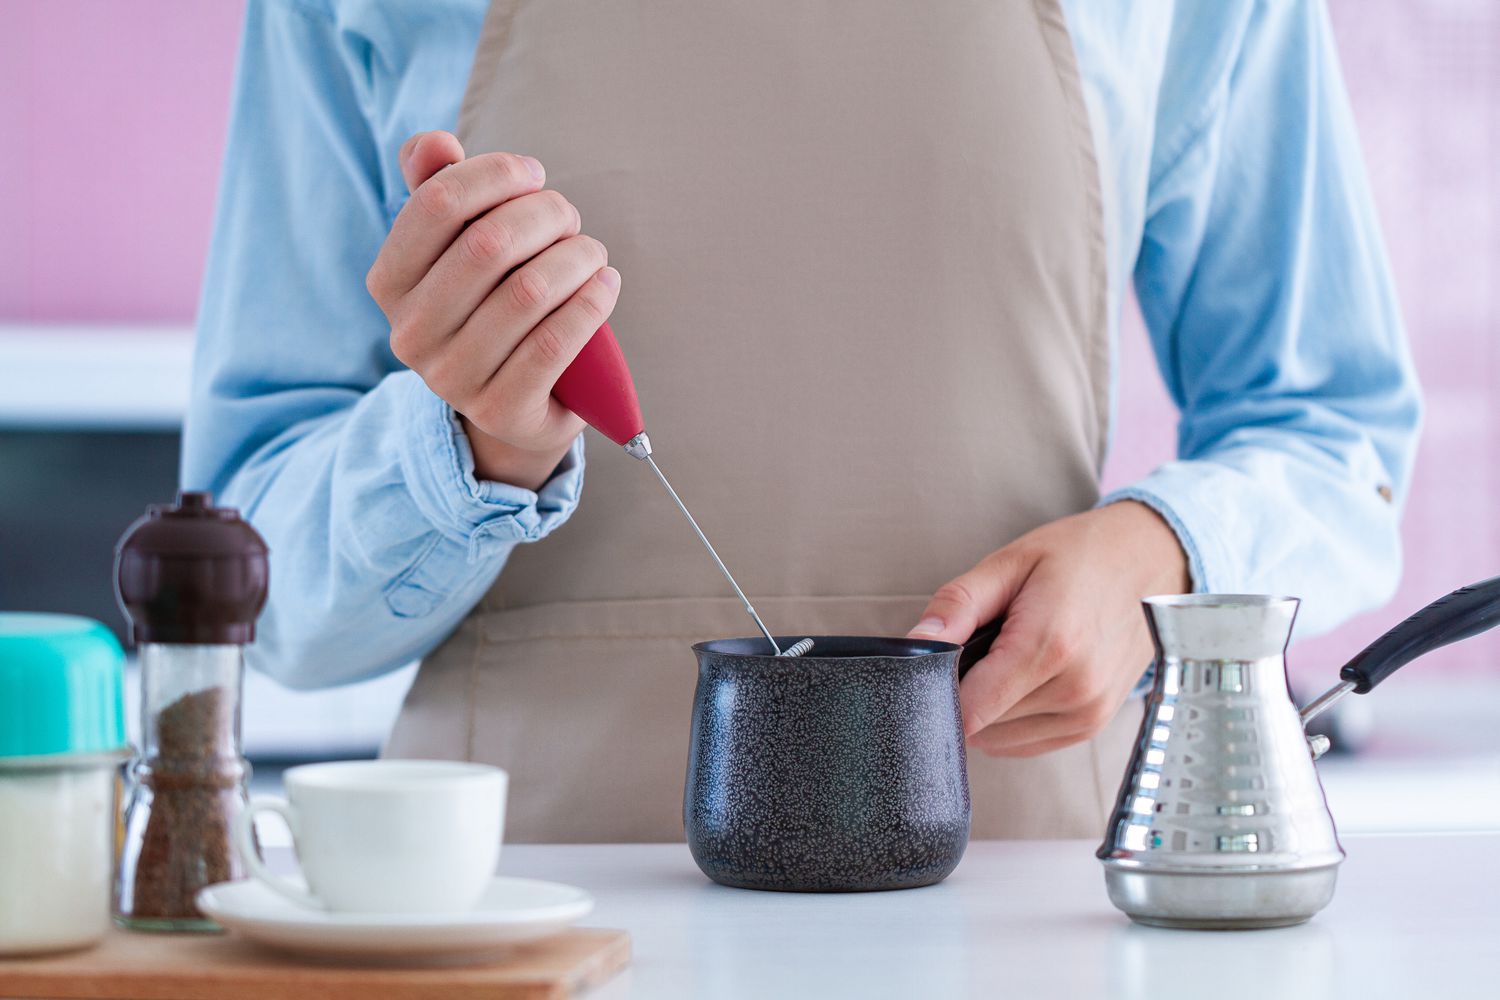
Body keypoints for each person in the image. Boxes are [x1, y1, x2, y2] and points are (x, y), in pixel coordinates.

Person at [185, 0, 1421, 842]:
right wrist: (469, 453)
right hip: (521, 914)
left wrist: (1160, 558)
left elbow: (1335, 433)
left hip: (1018, 919)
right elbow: (252, 581)